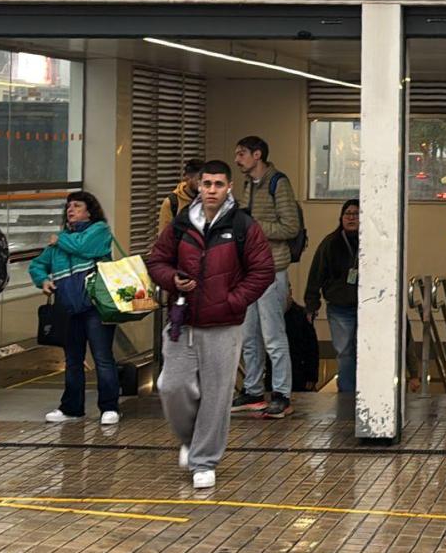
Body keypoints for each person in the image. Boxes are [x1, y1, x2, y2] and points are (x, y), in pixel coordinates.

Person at [147, 160, 276, 489]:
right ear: (198, 186)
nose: (212, 190)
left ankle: (204, 461)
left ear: (228, 187)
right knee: (171, 386)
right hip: (183, 321)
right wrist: (172, 279)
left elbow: (262, 271)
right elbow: (157, 261)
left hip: (223, 324)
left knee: (217, 395)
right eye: (207, 184)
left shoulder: (244, 226)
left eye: (219, 184)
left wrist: (232, 301)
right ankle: (190, 440)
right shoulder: (180, 225)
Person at [30, 191, 120, 425]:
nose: (71, 210)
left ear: (89, 211)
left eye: (77, 206)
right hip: (69, 309)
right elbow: (38, 264)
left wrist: (58, 240)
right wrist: (43, 280)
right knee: (73, 360)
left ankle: (109, 407)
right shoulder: (60, 241)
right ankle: (71, 408)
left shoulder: (99, 230)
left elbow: (86, 248)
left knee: (102, 357)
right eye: (69, 207)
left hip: (96, 307)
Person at [233, 135, 301, 419]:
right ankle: (253, 389)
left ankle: (282, 394)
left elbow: (290, 227)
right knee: (249, 334)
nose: (237, 159)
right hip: (248, 270)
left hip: (272, 269)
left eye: (242, 154)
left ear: (257, 154)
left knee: (273, 335)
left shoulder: (278, 183)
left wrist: (255, 226)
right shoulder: (249, 184)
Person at [305, 199, 360, 394]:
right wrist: (312, 304)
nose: (352, 217)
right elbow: (316, 274)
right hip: (340, 307)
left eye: (356, 213)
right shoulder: (331, 243)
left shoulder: (372, 243)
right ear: (341, 218)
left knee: (365, 352)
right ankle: (347, 394)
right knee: (344, 352)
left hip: (366, 306)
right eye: (348, 214)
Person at [157, 158, 205, 237]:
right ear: (188, 178)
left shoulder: (206, 199)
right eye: (199, 180)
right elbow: (163, 237)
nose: (202, 184)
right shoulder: (172, 202)